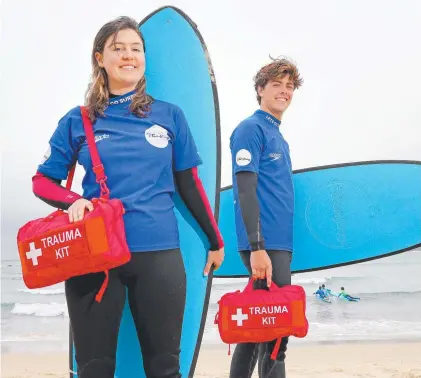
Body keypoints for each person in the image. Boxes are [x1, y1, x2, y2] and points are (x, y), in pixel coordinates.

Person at [31, 16, 224, 378]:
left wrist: (215, 240)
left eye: (136, 48)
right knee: (94, 368)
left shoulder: (169, 116)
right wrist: (72, 200)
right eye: (118, 48)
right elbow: (42, 181)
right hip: (94, 257)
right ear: (99, 58)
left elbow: (190, 184)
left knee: (165, 367)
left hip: (159, 255)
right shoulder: (80, 120)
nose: (128, 55)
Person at [228, 57, 303, 378]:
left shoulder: (277, 135)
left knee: (258, 329)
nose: (284, 92)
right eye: (276, 85)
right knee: (276, 330)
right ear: (260, 90)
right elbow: (244, 189)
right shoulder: (250, 130)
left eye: (289, 86)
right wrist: (257, 246)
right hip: (264, 244)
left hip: (277, 244)